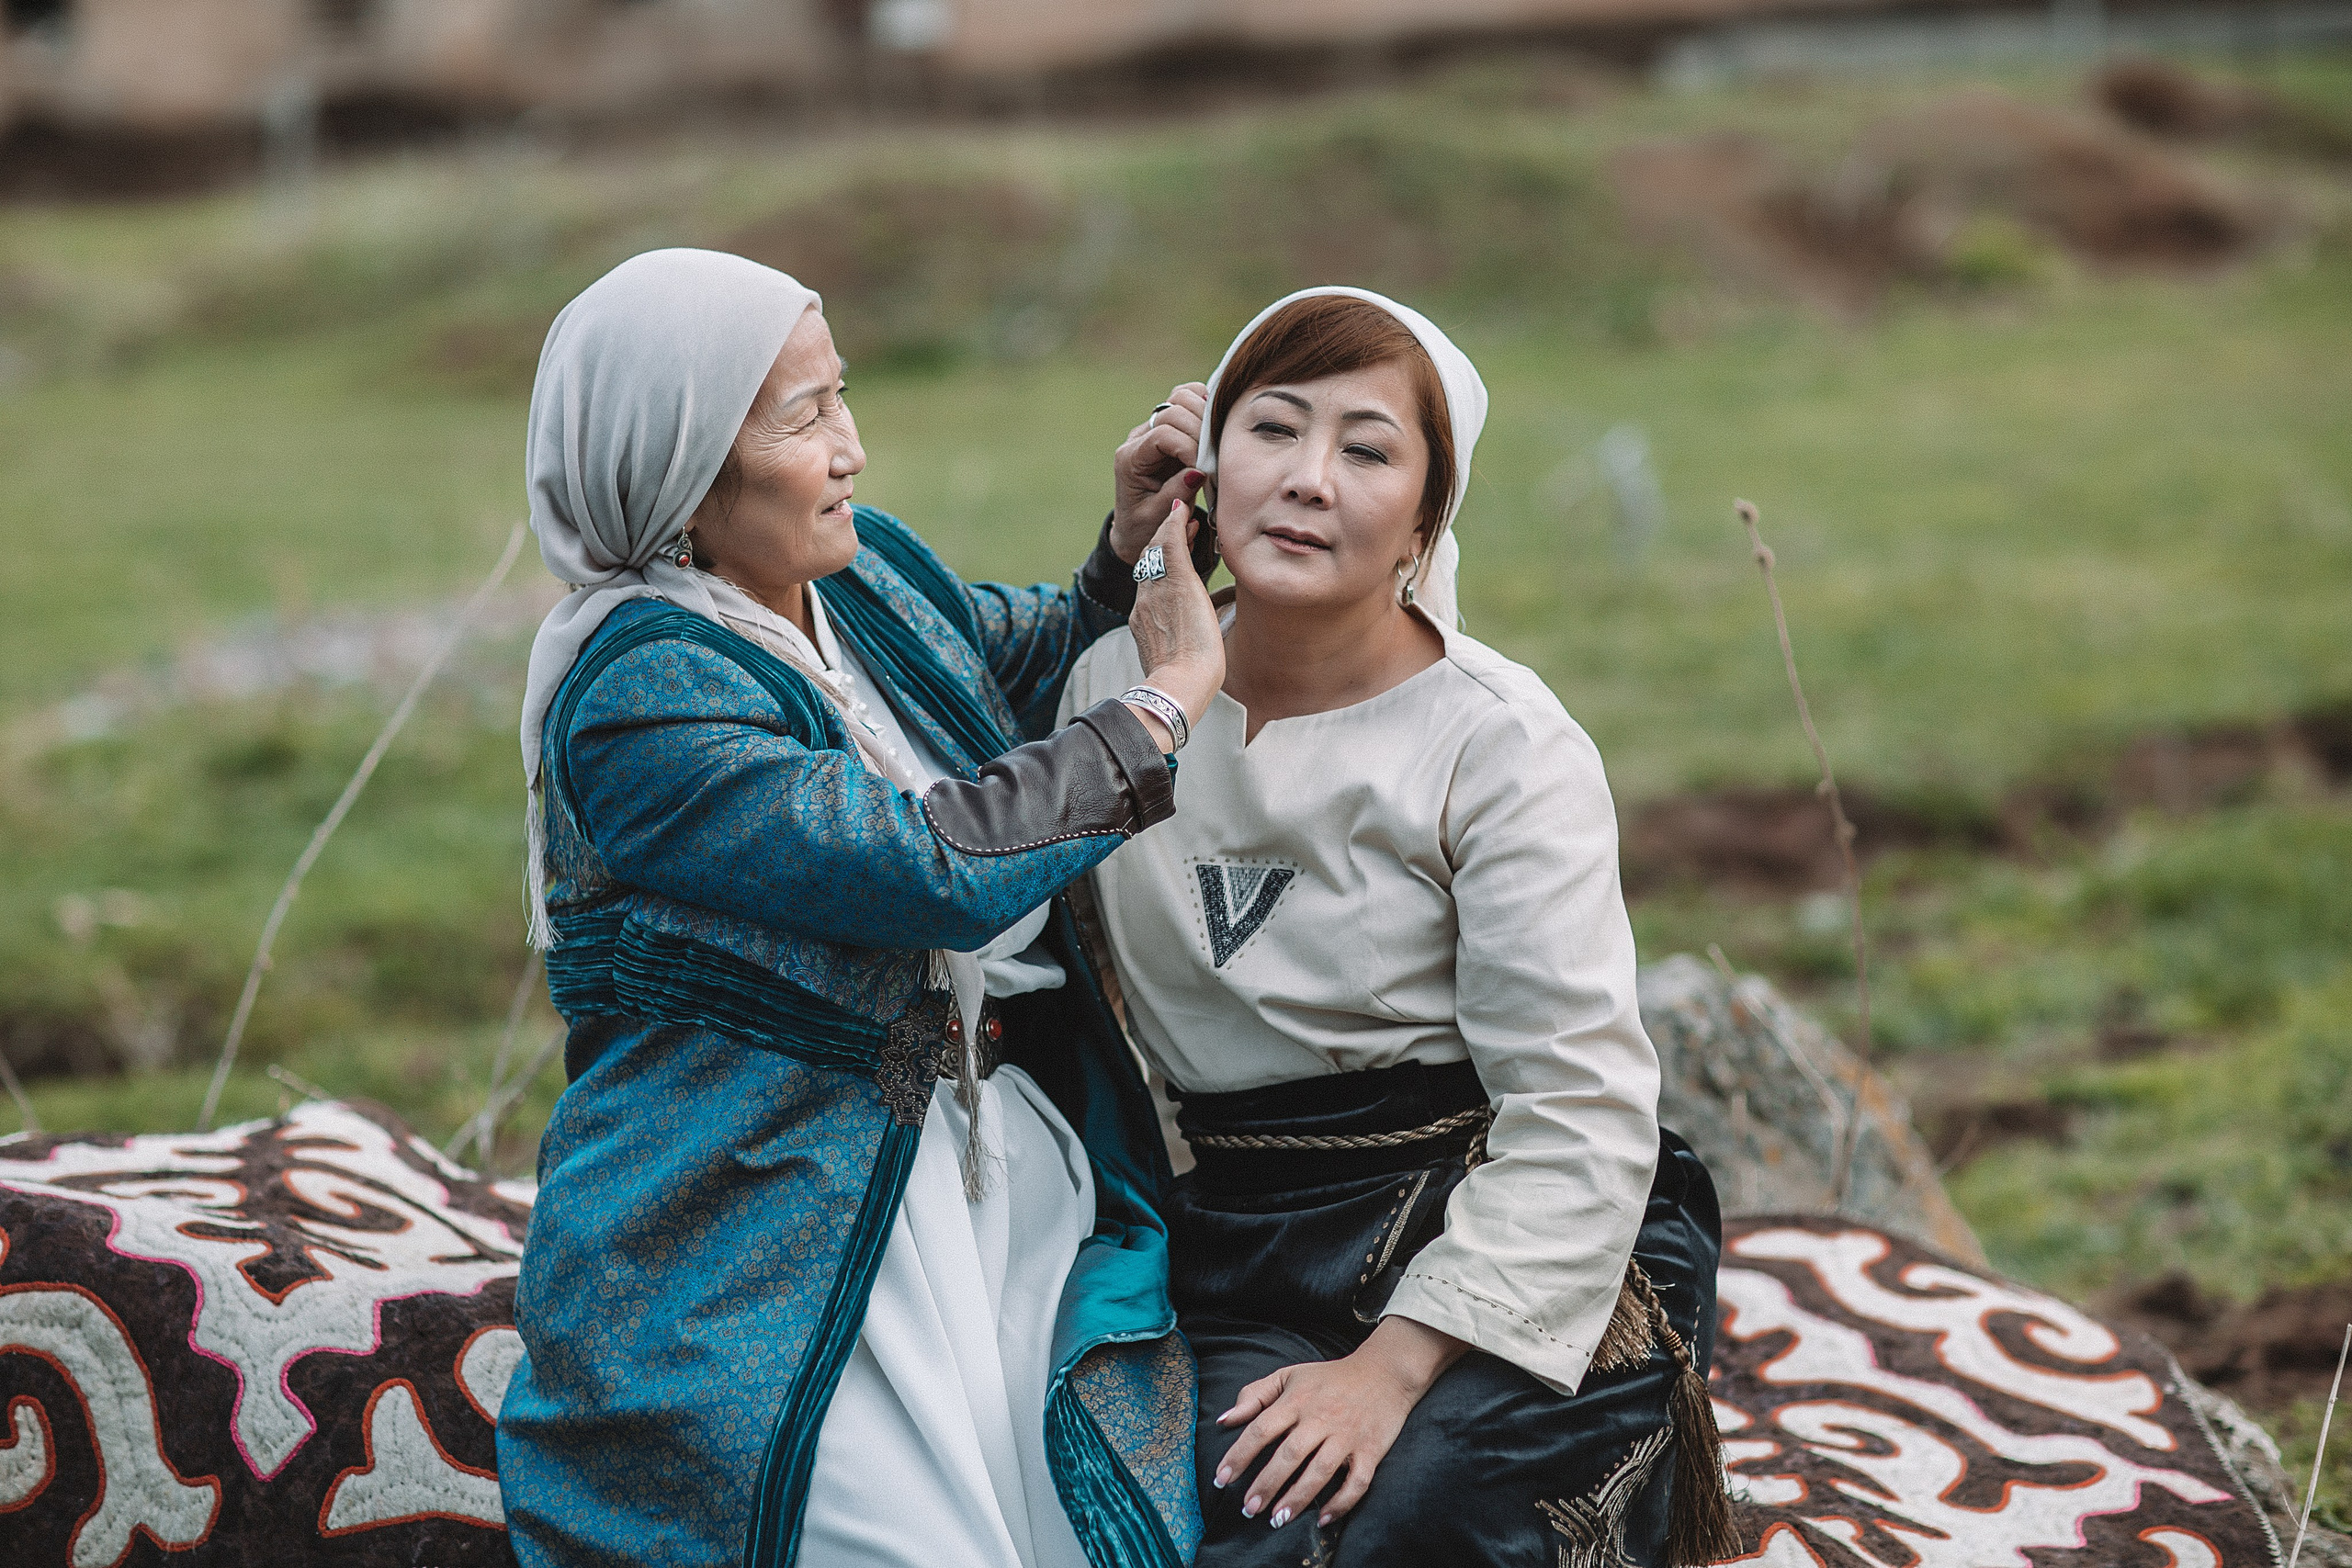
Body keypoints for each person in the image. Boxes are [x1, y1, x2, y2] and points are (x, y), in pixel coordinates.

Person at [493, 248, 1224, 1568]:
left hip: (983, 1182)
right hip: (752, 1210)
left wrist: (1124, 559)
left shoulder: (858, 573)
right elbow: (923, 865)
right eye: (803, 417)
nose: (853, 450)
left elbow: (1012, 664)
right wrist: (1157, 708)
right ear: (679, 474)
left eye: (843, 397)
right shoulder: (643, 694)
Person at [1063, 288, 1738, 1566]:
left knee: (1413, 1517)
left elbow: (1581, 1104)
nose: (1309, 480)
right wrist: (1127, 555)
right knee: (1238, 1516)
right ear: (1204, 469)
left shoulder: (1497, 741)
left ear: (1429, 516)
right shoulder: (1117, 704)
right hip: (1249, 1239)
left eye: (1367, 449)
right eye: (1273, 429)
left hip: (1494, 1211)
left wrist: (1389, 1370)